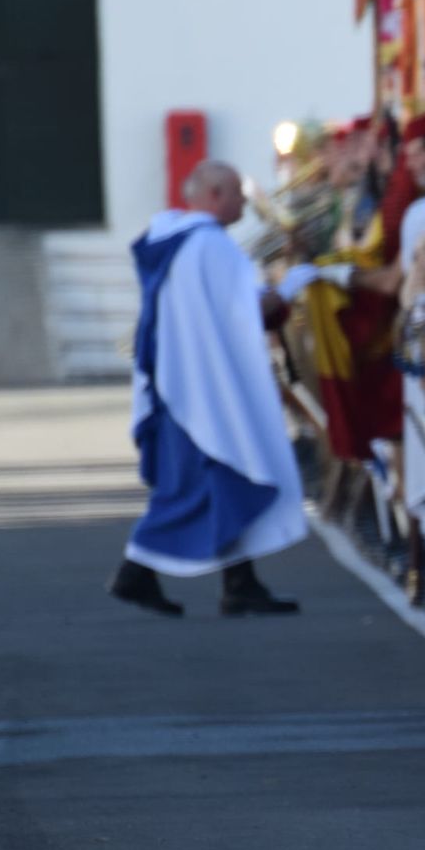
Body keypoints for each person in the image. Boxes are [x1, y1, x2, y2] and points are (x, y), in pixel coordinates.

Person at [110, 161, 306, 618]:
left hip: (180, 385)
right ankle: (134, 573)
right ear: (215, 194)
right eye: (238, 194)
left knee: (223, 482)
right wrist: (290, 288)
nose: (243, 202)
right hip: (206, 393)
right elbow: (251, 311)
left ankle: (241, 583)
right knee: (200, 485)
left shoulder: (172, 240)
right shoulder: (212, 247)